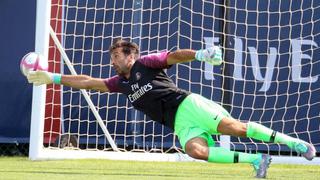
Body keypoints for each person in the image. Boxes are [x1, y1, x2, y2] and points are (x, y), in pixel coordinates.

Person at [27, 39, 316, 178]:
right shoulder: (119, 83)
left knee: (237, 128)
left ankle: (295, 143)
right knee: (196, 152)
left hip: (189, 106)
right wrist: (51, 77)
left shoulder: (146, 63)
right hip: (179, 124)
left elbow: (175, 55)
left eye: (117, 56)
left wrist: (201, 54)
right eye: (112, 57)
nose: (113, 61)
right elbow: (88, 82)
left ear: (131, 55)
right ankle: (256, 161)